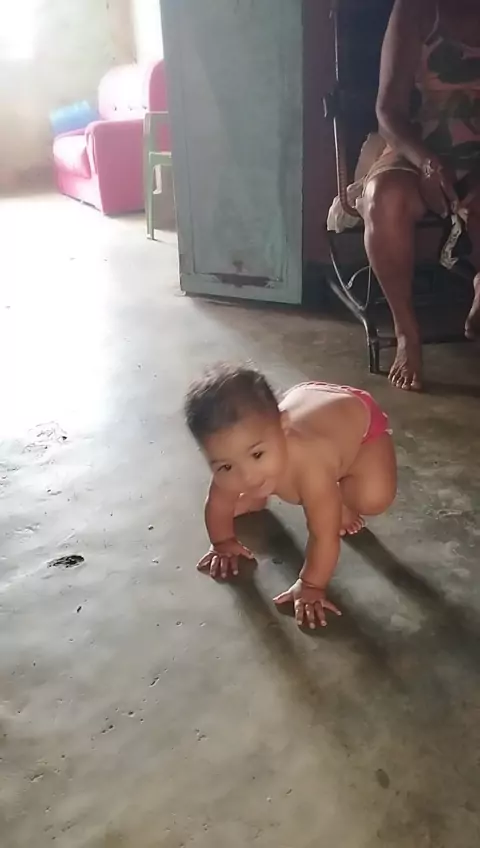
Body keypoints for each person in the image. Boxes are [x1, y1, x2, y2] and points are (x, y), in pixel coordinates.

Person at [185, 365, 397, 630]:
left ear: (283, 426)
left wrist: (311, 585)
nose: (247, 476)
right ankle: (269, 480)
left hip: (356, 420)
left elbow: (324, 536)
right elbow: (217, 504)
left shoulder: (311, 468)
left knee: (372, 499)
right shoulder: (235, 451)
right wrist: (222, 543)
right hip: (303, 406)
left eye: (257, 455)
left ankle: (342, 493)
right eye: (225, 466)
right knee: (247, 484)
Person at [363, 0, 480, 391]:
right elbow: (388, 110)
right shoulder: (416, 10)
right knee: (384, 199)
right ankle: (407, 333)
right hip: (421, 144)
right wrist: (427, 162)